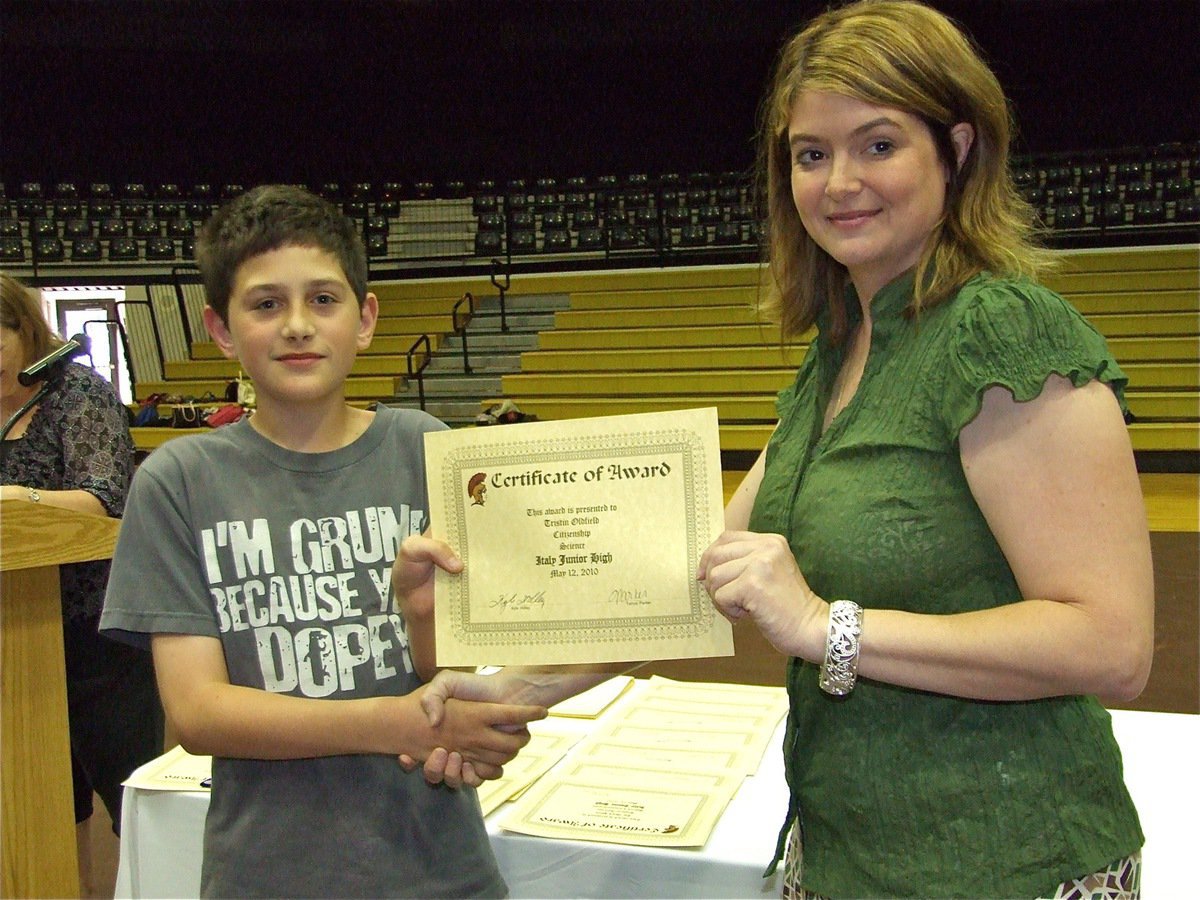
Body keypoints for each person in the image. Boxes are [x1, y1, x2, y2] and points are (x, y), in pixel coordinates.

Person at [693, 2, 1153, 898]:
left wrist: (829, 628)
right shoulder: (837, 349)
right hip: (840, 856)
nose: (838, 183)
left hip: (1006, 868)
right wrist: (500, 683)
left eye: (878, 144)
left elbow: (1113, 642)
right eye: (811, 154)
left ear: (958, 149)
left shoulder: (1000, 331)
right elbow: (696, 568)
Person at [98, 185, 550, 899]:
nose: (298, 326)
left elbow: (452, 674)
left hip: (438, 869)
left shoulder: (425, 449)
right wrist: (393, 724)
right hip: (267, 875)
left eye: (323, 300)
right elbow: (196, 712)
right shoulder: (179, 482)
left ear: (365, 318)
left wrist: (424, 617)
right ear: (220, 329)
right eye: (266, 304)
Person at [0, 273, 163, 860]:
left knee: (129, 799)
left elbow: (103, 502)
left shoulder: (77, 393)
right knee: (43, 803)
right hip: (18, 641)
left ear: (25, 330)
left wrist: (22, 498)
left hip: (98, 634)